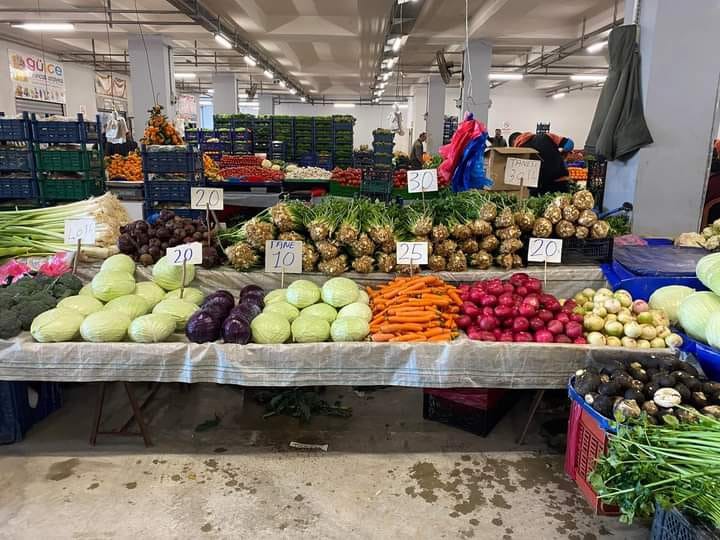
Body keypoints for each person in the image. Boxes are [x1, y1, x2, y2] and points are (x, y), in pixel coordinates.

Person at [508, 131, 575, 195]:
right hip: (560, 182)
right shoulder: (547, 136)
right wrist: (562, 154)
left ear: (513, 143)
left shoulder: (519, 151)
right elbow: (569, 144)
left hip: (539, 189)